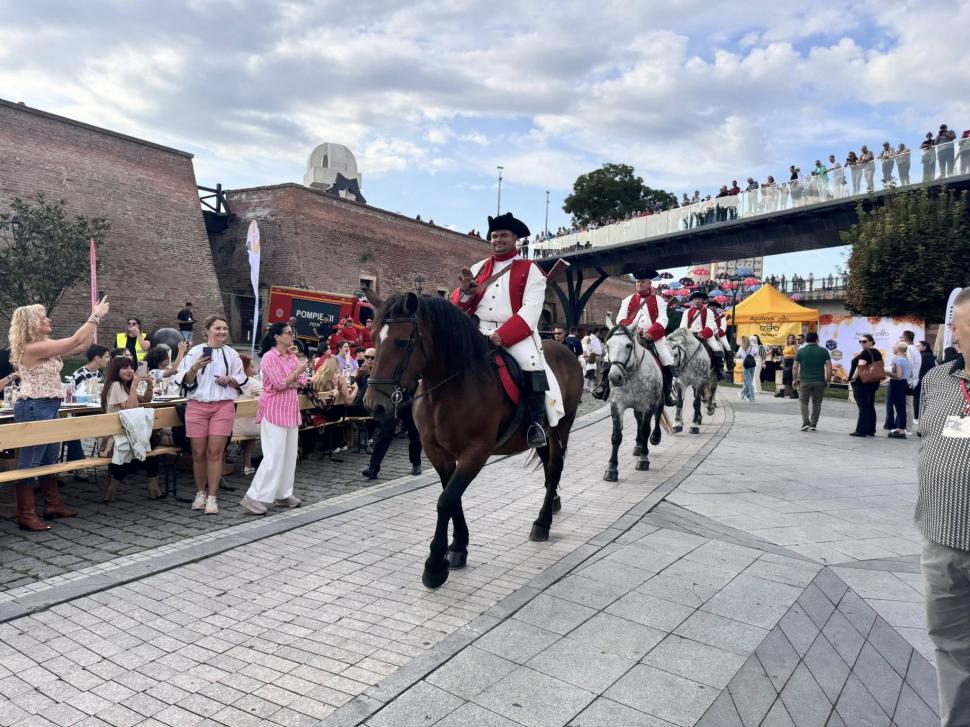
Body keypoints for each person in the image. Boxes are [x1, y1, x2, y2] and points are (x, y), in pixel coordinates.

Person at [452, 211, 564, 447]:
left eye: (503, 235)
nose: (497, 240)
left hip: (514, 333)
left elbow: (531, 311)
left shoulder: (530, 269)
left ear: (515, 239)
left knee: (530, 363)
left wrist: (501, 336)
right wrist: (465, 292)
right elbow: (459, 305)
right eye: (494, 236)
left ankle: (535, 424)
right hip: (476, 329)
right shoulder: (479, 267)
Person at [914, 287, 970, 726]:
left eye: (957, 326)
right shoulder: (936, 380)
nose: (951, 333)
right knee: (949, 640)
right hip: (941, 535)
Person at [7, 296, 110, 530]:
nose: (48, 319)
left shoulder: (46, 344)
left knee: (49, 458)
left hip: (49, 405)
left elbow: (80, 345)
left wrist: (95, 322)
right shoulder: (31, 347)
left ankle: (52, 505)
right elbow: (73, 340)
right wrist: (95, 316)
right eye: (43, 317)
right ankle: (26, 515)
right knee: (30, 461)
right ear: (32, 323)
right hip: (34, 405)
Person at [175, 314, 247, 514]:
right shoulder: (194, 352)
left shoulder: (231, 354)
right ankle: (200, 492)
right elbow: (184, 380)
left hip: (222, 406)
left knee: (215, 453)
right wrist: (195, 368)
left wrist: (229, 379)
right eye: (218, 328)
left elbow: (241, 378)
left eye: (224, 328)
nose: (222, 332)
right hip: (197, 406)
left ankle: (213, 497)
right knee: (198, 454)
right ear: (207, 330)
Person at [240, 322, 306, 515]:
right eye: (287, 333)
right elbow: (278, 384)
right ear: (277, 336)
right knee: (274, 456)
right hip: (274, 411)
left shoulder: (291, 356)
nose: (291, 335)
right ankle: (253, 497)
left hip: (290, 410)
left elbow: (301, 382)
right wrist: (296, 374)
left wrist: (294, 378)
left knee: (289, 455)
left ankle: (283, 493)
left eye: (291, 332)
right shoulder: (269, 358)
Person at [100, 356, 159, 500]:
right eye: (125, 368)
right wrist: (134, 385)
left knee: (146, 444)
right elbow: (131, 409)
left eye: (131, 367)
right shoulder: (116, 385)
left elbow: (146, 400)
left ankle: (114, 485)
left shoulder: (123, 386)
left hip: (124, 433)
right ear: (116, 370)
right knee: (149, 444)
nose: (130, 370)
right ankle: (153, 483)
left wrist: (150, 385)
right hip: (116, 436)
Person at [617, 269, 677, 406]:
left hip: (653, 337)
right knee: (612, 355)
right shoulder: (627, 300)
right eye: (637, 282)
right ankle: (606, 388)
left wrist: (652, 332)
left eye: (642, 282)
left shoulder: (659, 300)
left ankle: (667, 393)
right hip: (632, 335)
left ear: (649, 283)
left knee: (666, 358)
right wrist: (631, 328)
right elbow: (620, 318)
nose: (639, 284)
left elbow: (663, 319)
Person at [64, 344, 111, 477]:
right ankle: (80, 465)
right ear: (97, 358)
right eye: (106, 357)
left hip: (100, 412)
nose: (108, 360)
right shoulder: (79, 374)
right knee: (72, 432)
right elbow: (71, 398)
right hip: (83, 413)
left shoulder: (101, 374)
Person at [678, 290, 726, 380]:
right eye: (695, 299)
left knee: (716, 348)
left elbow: (711, 326)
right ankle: (678, 370)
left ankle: (719, 370)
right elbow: (683, 326)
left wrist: (702, 333)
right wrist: (689, 333)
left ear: (703, 300)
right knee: (678, 349)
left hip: (705, 336)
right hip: (690, 336)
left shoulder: (709, 312)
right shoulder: (686, 312)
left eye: (699, 299)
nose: (697, 301)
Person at [793, 332, 831, 431]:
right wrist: (828, 380)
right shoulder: (824, 351)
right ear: (817, 339)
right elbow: (829, 367)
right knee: (817, 403)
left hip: (804, 380)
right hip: (819, 381)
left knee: (803, 402)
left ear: (806, 340)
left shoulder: (801, 351)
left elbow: (795, 367)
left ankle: (805, 422)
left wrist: (795, 379)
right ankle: (813, 424)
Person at [232, 353, 262, 476]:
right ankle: (247, 465)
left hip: (228, 428)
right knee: (252, 425)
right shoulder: (252, 382)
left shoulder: (227, 382)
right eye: (252, 367)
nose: (254, 370)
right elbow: (268, 395)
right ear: (243, 369)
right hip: (249, 429)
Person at [848, 333, 884, 437]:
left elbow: (860, 367)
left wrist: (853, 378)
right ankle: (870, 429)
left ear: (871, 341)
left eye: (864, 341)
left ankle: (861, 430)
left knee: (863, 406)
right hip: (873, 382)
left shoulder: (865, 353)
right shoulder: (877, 352)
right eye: (860, 341)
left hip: (861, 382)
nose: (862, 343)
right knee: (870, 405)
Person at [884, 343, 911, 438]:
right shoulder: (906, 360)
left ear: (899, 349)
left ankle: (901, 430)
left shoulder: (898, 360)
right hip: (903, 383)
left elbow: (898, 375)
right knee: (901, 407)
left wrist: (887, 373)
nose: (892, 347)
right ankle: (900, 429)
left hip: (898, 384)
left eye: (894, 347)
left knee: (900, 408)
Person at [914, 339, 935, 423]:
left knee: (917, 398)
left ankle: (916, 417)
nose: (917, 347)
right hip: (928, 380)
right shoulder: (930, 355)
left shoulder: (922, 356)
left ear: (925, 347)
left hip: (920, 380)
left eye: (919, 346)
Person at [775, 334, 798, 398]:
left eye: (792, 338)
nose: (790, 339)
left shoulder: (794, 346)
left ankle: (793, 392)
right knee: (785, 377)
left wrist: (789, 357)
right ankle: (783, 392)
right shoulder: (786, 346)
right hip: (785, 362)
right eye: (789, 338)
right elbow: (784, 355)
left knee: (790, 377)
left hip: (791, 362)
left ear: (794, 339)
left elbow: (796, 355)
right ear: (787, 339)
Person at [736, 336, 758, 402]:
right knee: (748, 381)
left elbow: (738, 356)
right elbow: (755, 354)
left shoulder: (741, 348)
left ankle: (751, 397)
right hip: (752, 366)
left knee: (748, 382)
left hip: (745, 366)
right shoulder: (752, 347)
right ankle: (742, 394)